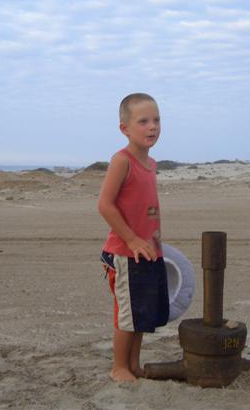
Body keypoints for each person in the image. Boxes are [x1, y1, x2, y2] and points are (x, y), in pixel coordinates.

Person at [98, 92, 169, 383]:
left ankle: (134, 364)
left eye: (156, 120)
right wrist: (131, 239)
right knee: (126, 314)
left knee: (141, 313)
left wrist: (154, 241)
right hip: (124, 253)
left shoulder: (151, 163)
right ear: (124, 128)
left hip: (148, 251)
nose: (152, 126)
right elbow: (105, 205)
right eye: (143, 121)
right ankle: (119, 367)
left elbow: (147, 208)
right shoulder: (122, 161)